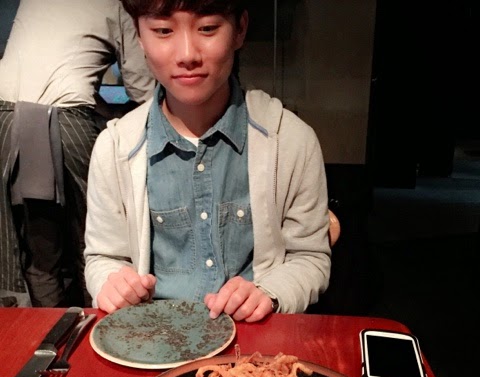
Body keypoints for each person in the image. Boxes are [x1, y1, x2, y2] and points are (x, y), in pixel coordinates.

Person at [84, 0, 332, 322]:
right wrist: (111, 283)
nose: (187, 54)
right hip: (152, 336)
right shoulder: (115, 148)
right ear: (139, 36)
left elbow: (309, 257)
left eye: (208, 28)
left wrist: (269, 292)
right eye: (163, 31)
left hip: (253, 335)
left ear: (239, 29)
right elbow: (103, 258)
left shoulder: (291, 141)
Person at [0, 0, 156, 307]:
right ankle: (95, 325)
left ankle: (51, 329)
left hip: (5, 117)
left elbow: (54, 78)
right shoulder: (119, 5)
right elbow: (143, 89)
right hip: (64, 121)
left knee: (41, 250)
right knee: (94, 244)